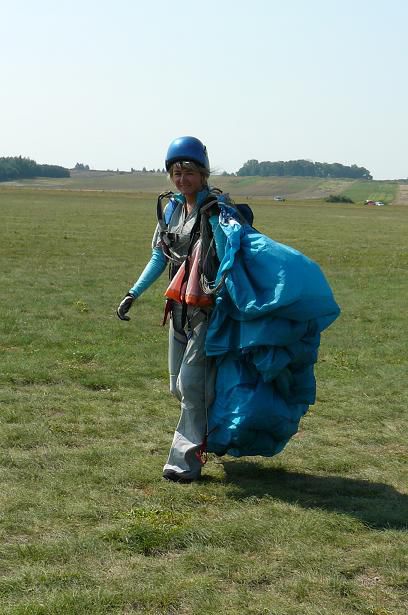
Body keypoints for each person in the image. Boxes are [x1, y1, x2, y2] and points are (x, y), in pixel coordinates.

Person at [117, 136, 226, 483]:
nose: (182, 179)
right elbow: (158, 257)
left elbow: (230, 259)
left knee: (191, 388)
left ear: (203, 174)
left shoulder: (216, 210)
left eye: (189, 172)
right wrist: (133, 293)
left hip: (207, 313)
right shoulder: (171, 210)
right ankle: (218, 431)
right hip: (177, 310)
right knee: (177, 388)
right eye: (176, 173)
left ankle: (183, 464)